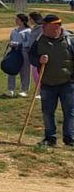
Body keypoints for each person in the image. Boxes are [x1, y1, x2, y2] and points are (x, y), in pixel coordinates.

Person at [28, 15, 74, 147]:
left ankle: (69, 138)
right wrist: (38, 60)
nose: (42, 28)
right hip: (48, 83)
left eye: (44, 26)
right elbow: (31, 57)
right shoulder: (39, 40)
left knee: (70, 112)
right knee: (48, 112)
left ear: (56, 26)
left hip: (67, 83)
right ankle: (50, 138)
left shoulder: (70, 39)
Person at [7, 13, 33, 97]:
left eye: (17, 19)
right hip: (14, 52)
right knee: (11, 70)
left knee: (24, 71)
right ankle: (11, 89)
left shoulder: (28, 31)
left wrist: (18, 44)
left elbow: (29, 43)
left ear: (22, 21)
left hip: (24, 52)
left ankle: (24, 90)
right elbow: (11, 39)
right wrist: (11, 44)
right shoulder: (14, 30)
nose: (15, 20)